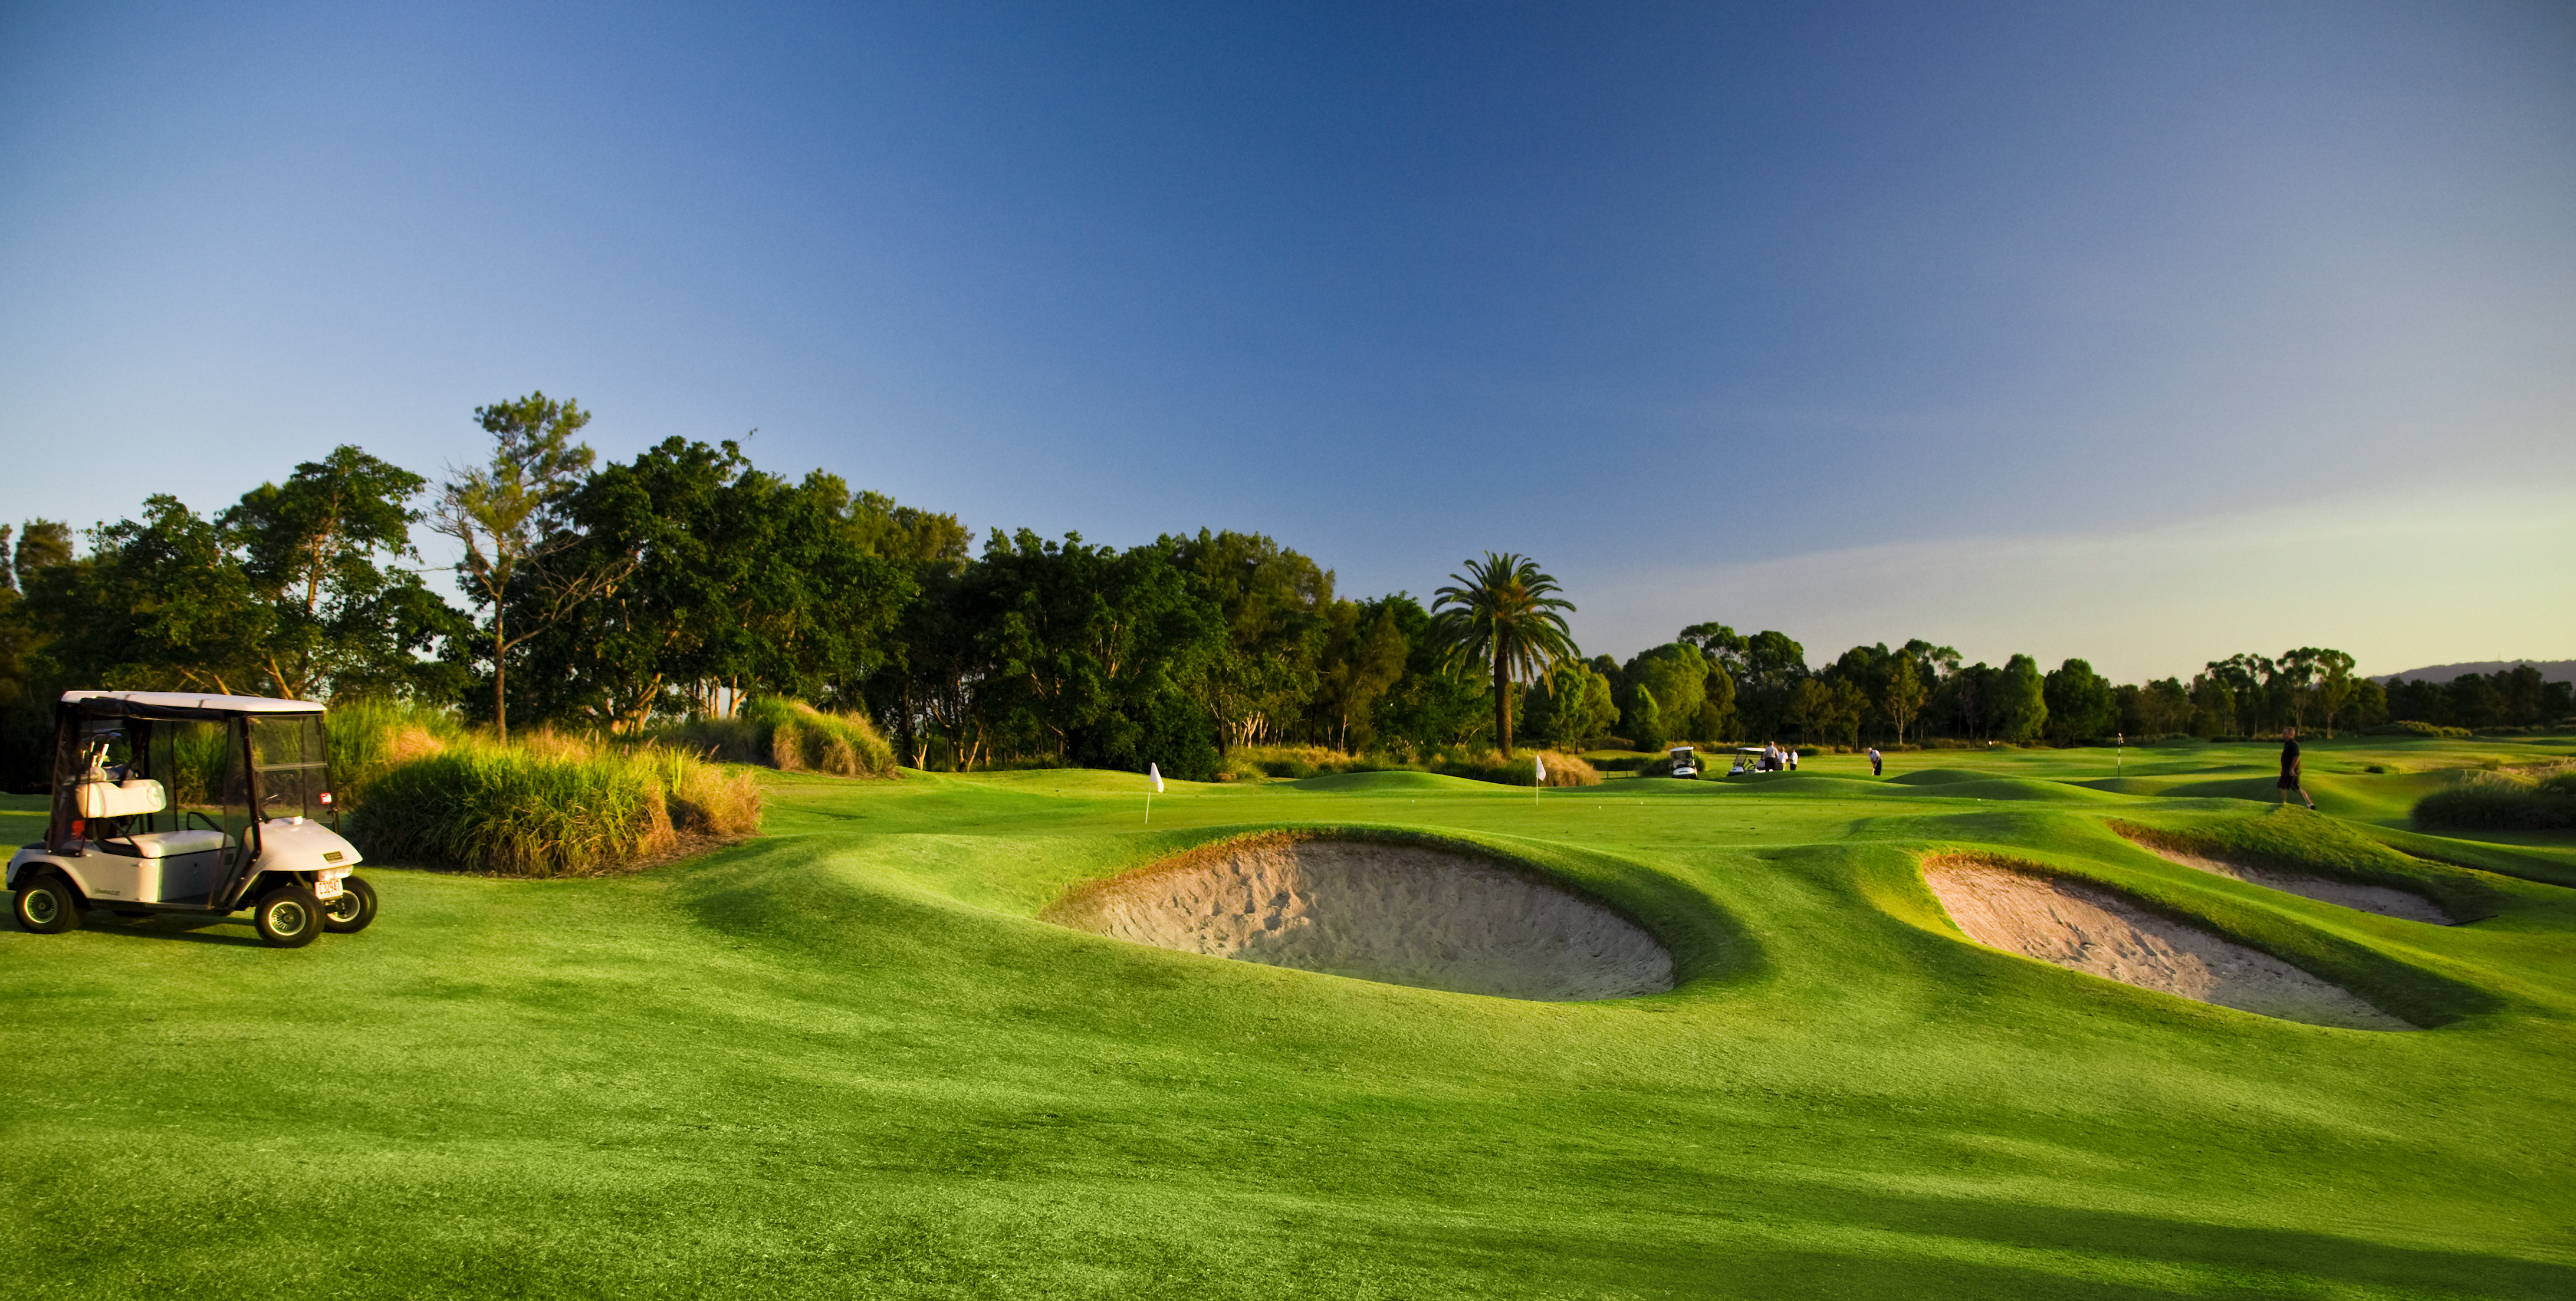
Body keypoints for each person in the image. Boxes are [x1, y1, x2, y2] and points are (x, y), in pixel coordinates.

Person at [2278, 727, 2314, 810]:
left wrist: (2292, 769)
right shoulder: (2288, 744)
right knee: (2296, 788)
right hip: (2288, 770)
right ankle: (2310, 804)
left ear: (2291, 734)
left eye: (2285, 733)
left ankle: (2283, 804)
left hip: (2290, 771)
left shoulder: (2293, 744)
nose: (2283, 735)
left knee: (2281, 787)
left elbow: (2296, 757)